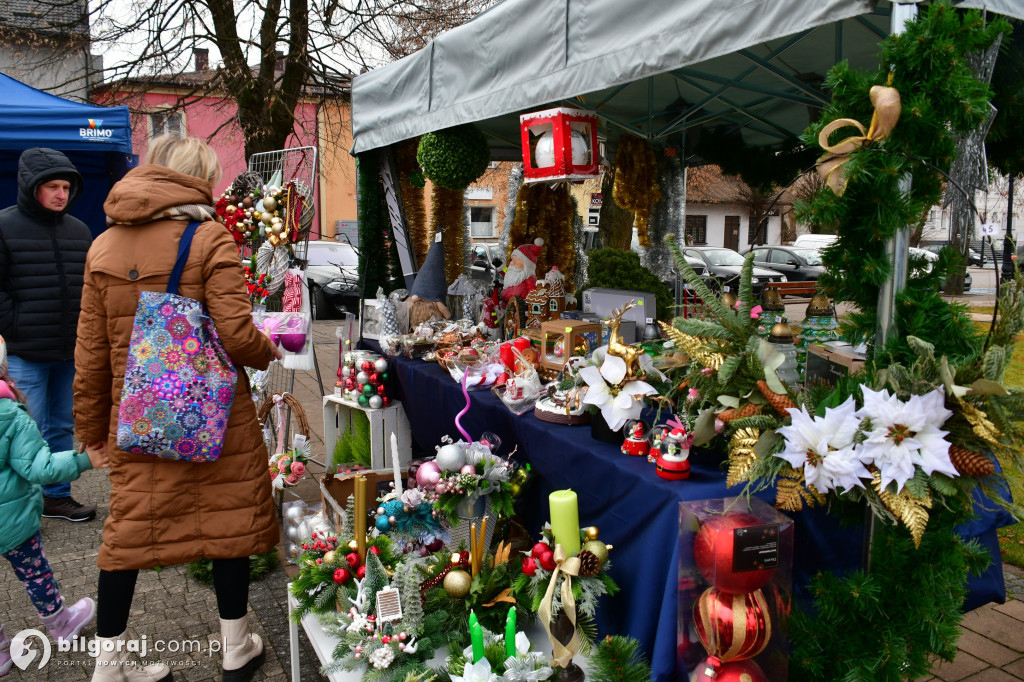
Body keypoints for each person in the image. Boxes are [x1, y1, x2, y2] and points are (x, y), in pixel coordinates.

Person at [73, 136, 282, 682]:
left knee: (126, 536)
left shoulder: (102, 247)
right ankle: (237, 650)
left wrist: (92, 431)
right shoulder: (210, 237)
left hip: (136, 417)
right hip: (214, 417)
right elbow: (238, 336)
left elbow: (91, 355)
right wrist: (271, 349)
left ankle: (109, 666)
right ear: (195, 179)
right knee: (229, 524)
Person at [0, 335, 108, 676]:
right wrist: (84, 459)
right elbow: (39, 467)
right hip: (13, 522)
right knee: (35, 573)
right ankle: (61, 624)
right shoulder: (10, 415)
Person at [0, 147, 96, 522]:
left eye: (66, 186)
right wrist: (15, 323)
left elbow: (89, 287)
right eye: (52, 186)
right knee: (24, 430)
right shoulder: (4, 225)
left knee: (60, 425)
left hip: (69, 351)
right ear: (30, 186)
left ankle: (56, 496)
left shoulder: (79, 230)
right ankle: (18, 507)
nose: (61, 194)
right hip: (26, 352)